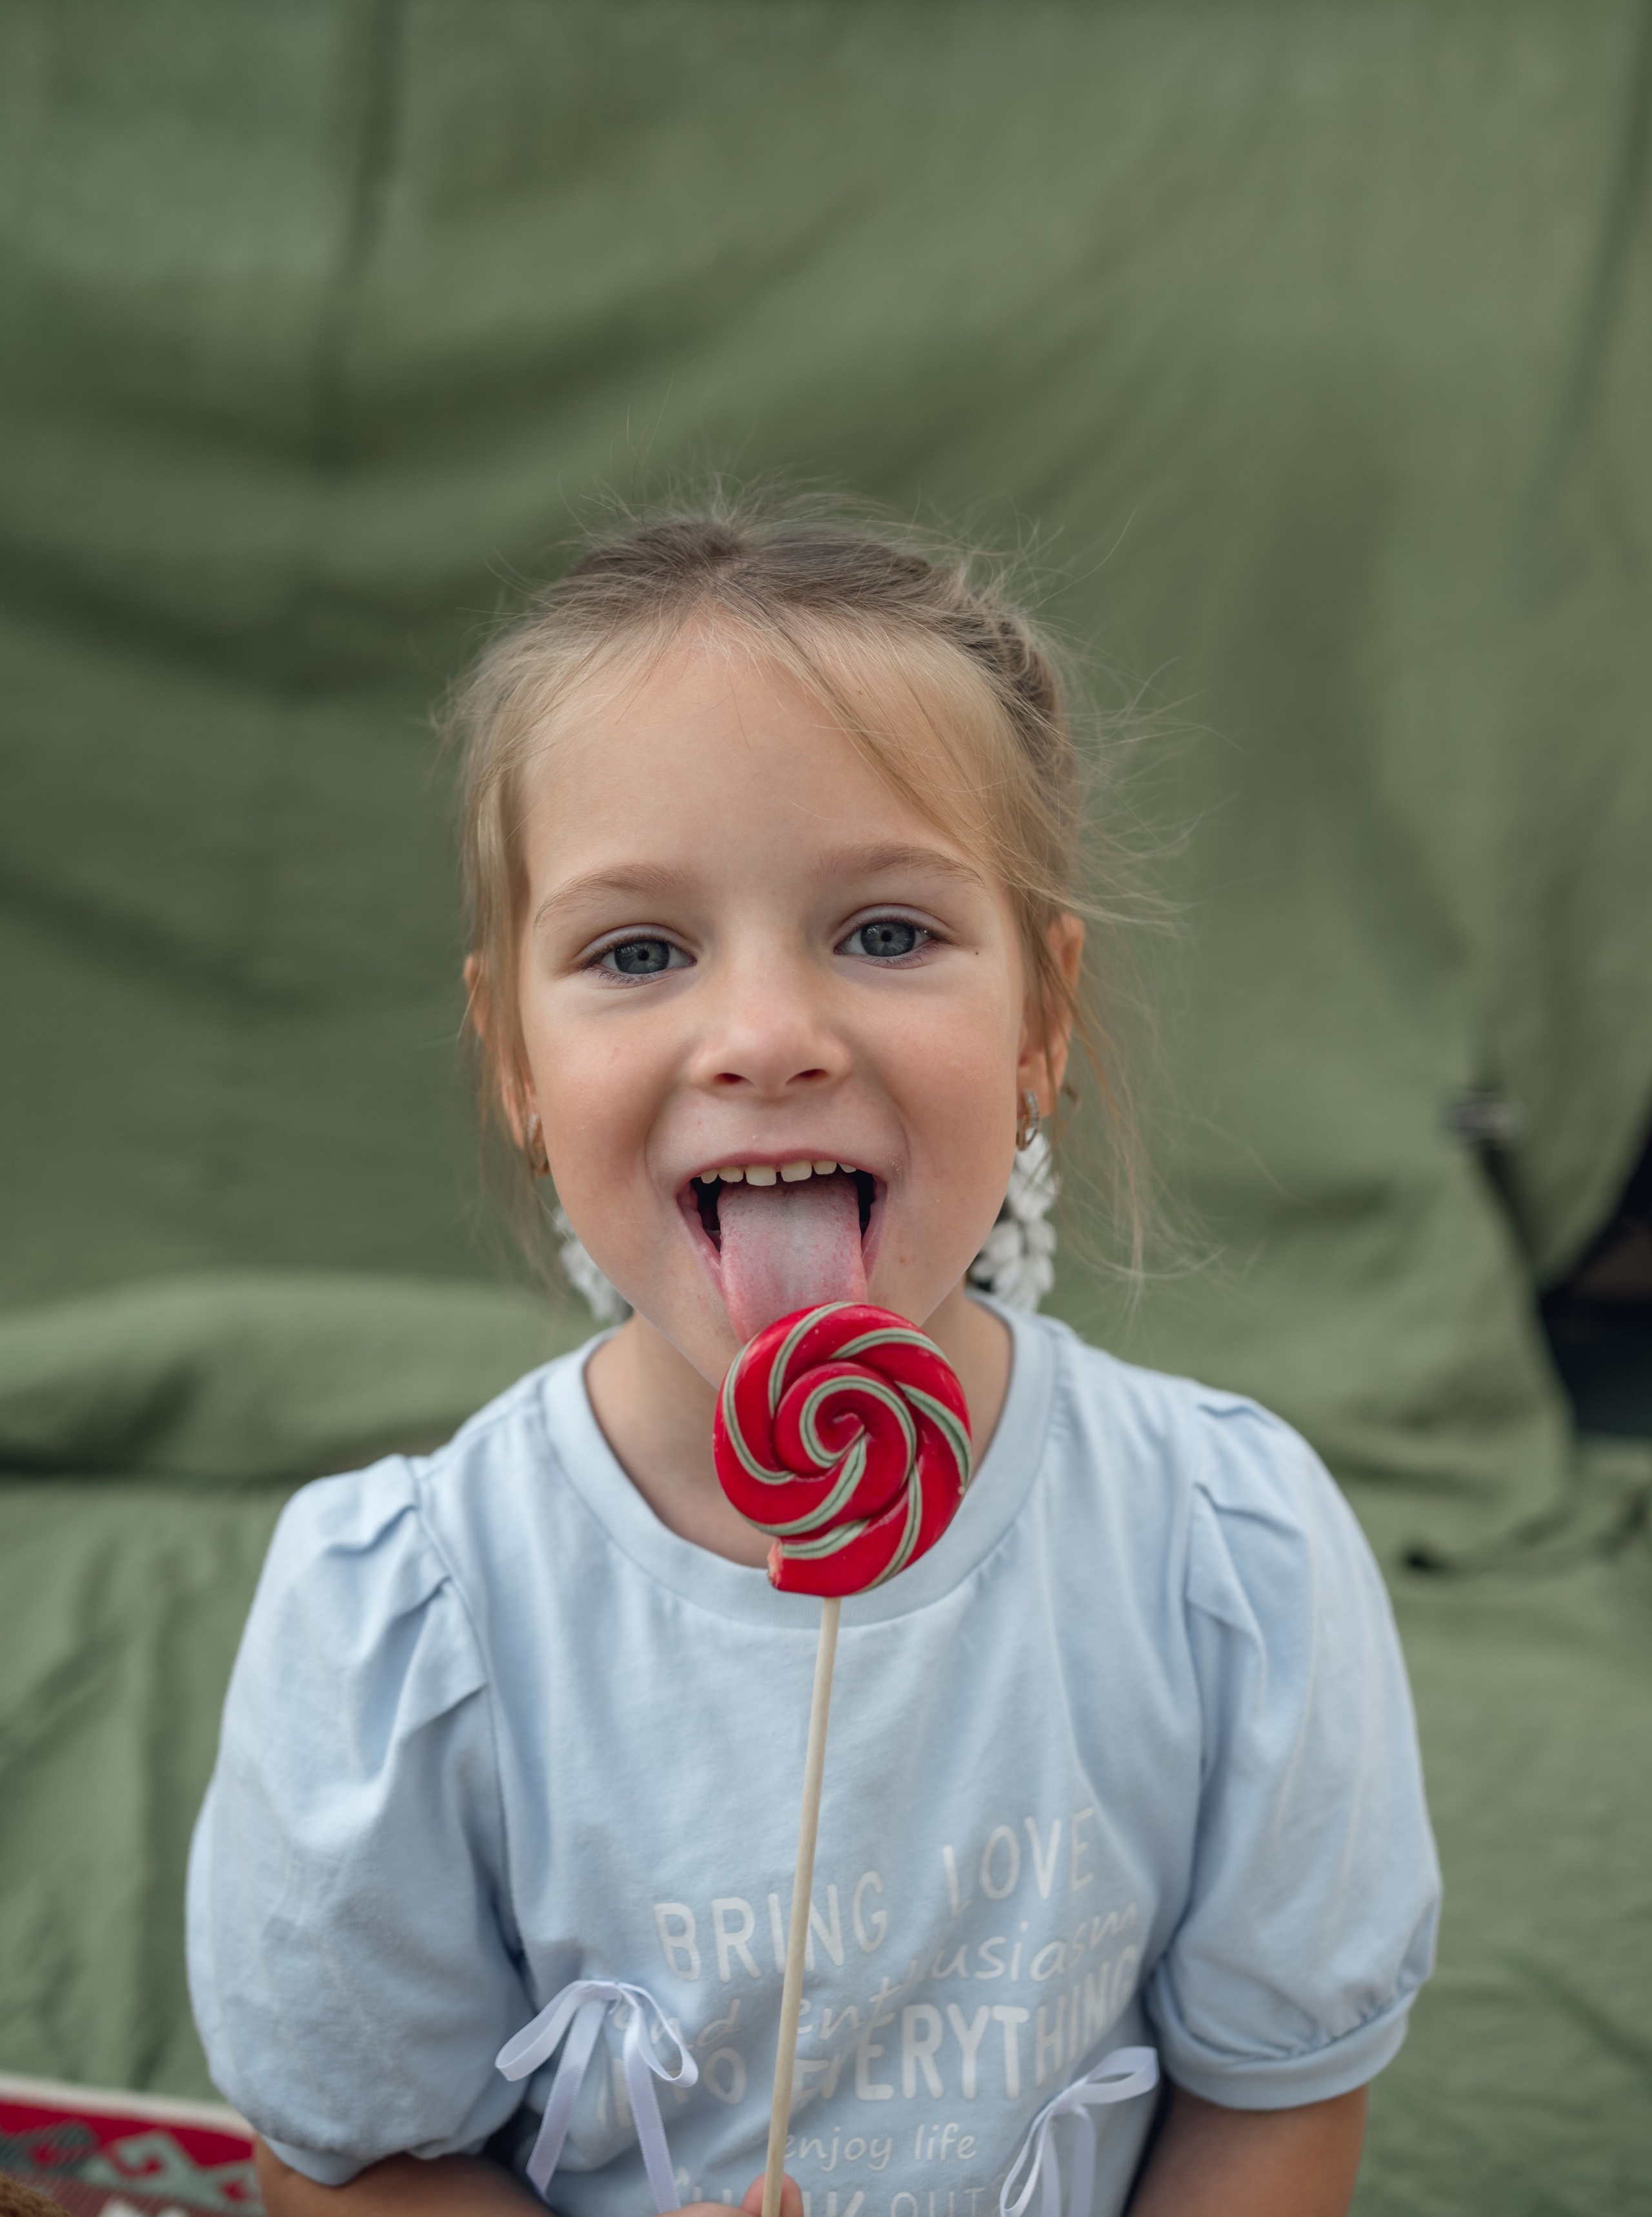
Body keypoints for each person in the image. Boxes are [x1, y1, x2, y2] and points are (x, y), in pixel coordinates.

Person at [187, 504, 1440, 2217]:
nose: (768, 1038)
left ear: (1042, 1018)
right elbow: (350, 2167)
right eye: (638, 951)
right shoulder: (411, 1621)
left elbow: (1277, 2106)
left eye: (887, 932)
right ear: (515, 1059)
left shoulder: (1226, 1550)